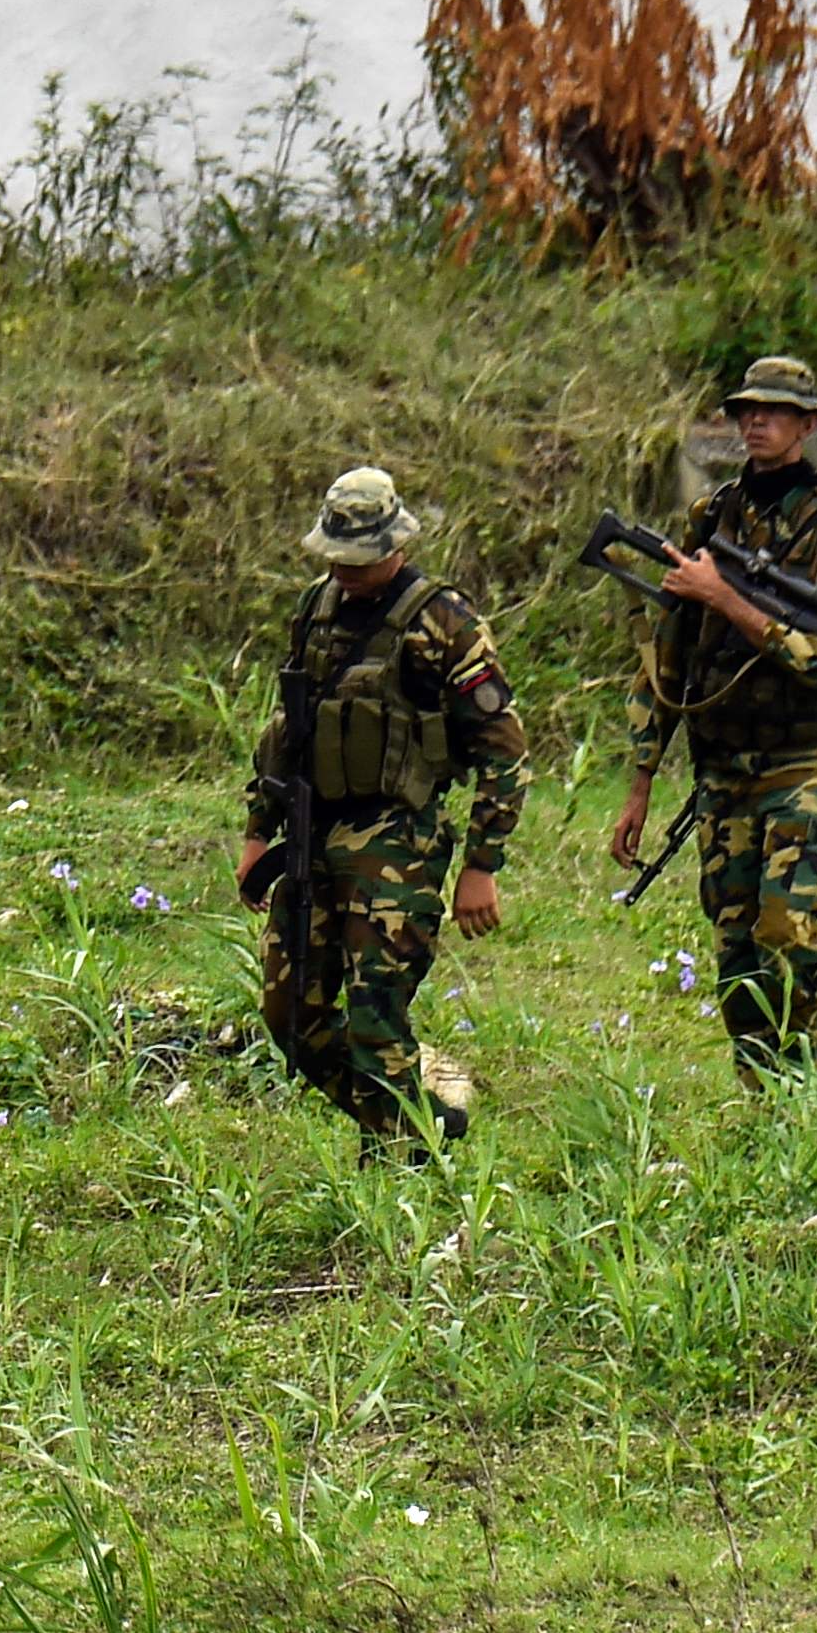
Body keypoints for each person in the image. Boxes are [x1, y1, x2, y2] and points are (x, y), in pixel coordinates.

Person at [234, 469, 527, 1153]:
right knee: (290, 1014)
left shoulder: (444, 621)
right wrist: (258, 831)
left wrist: (482, 865)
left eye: (360, 559)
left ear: (397, 546)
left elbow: (504, 749)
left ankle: (402, 1162)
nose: (347, 571)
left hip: (398, 839)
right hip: (313, 832)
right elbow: (288, 730)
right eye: (336, 557)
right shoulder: (316, 608)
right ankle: (416, 1123)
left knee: (376, 1017)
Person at [609, 357, 817, 1083]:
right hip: (724, 761)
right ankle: (762, 1091)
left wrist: (726, 598)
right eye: (746, 410)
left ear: (809, 424)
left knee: (785, 923)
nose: (756, 421)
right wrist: (641, 781)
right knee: (734, 940)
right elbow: (669, 655)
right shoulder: (712, 517)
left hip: (804, 756)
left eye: (776, 410)